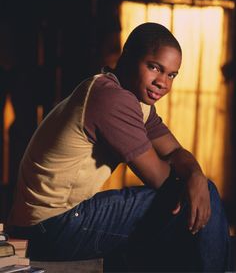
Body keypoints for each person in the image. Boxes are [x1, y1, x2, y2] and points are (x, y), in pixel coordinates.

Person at [7, 22, 232, 272]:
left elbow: (174, 152)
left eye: (171, 75)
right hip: (47, 229)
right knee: (201, 194)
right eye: (154, 67)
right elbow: (160, 179)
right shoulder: (111, 98)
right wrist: (195, 181)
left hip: (47, 223)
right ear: (127, 58)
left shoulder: (137, 103)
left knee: (197, 189)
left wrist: (195, 173)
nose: (163, 83)